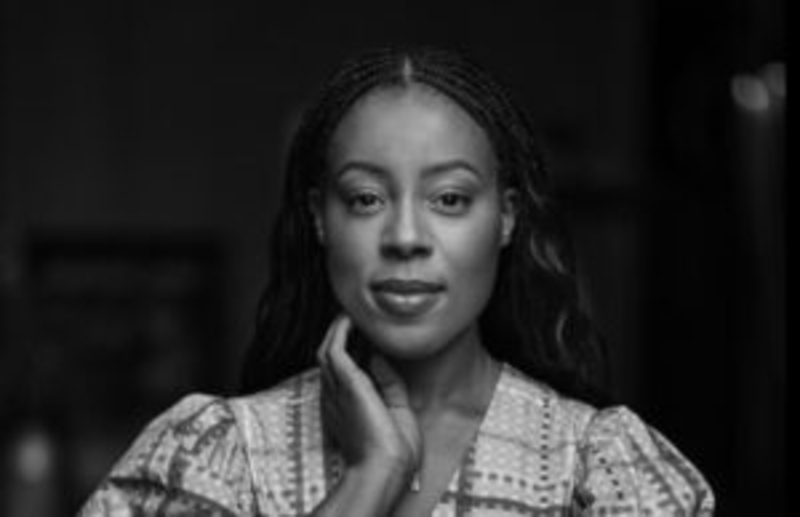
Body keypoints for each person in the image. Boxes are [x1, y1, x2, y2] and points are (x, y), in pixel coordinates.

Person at [79, 47, 715, 516]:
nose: (406, 236)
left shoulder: (597, 467)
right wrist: (371, 477)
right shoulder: (216, 455)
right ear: (319, 218)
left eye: (449, 199)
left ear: (506, 218)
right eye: (365, 199)